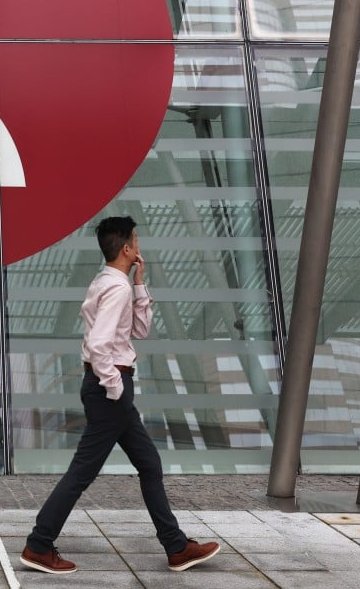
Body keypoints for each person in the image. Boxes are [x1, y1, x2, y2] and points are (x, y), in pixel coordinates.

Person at [20, 216, 219, 575]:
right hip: (110, 390)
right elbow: (99, 344)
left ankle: (176, 547)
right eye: (136, 241)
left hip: (108, 389)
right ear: (126, 248)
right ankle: (38, 545)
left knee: (149, 464)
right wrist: (115, 387)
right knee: (82, 472)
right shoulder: (116, 288)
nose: (139, 246)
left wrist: (140, 283)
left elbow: (138, 330)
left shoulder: (110, 282)